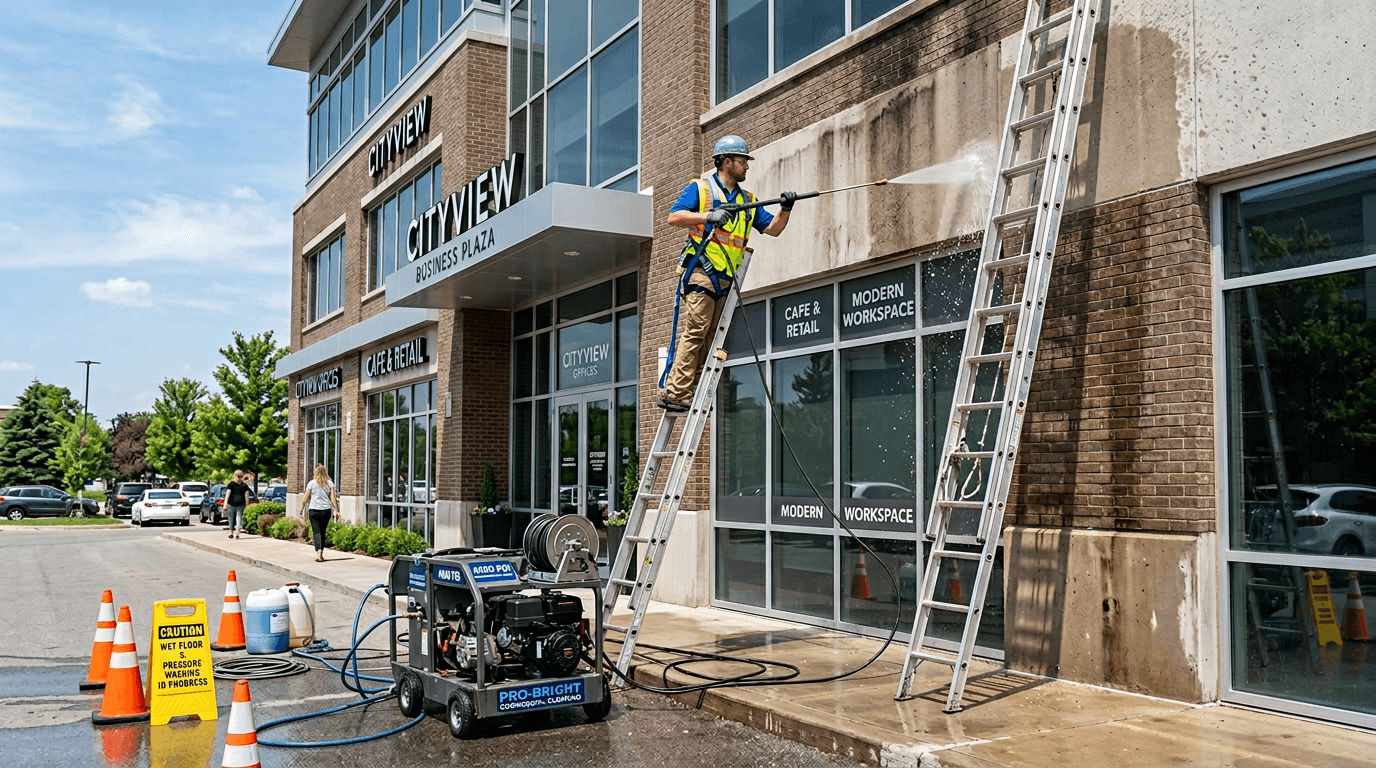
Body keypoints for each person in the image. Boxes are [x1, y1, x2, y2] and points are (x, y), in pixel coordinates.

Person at [660, 135, 796, 411]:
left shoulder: (748, 200)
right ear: (726, 162)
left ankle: (693, 392)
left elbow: (774, 229)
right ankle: (676, 393)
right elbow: (674, 217)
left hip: (726, 279)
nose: (747, 166)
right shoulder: (702, 190)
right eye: (743, 161)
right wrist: (708, 216)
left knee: (711, 337)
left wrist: (786, 208)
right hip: (701, 271)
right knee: (697, 330)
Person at [305, 464, 339, 562]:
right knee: (322, 531)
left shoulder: (311, 483)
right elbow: (333, 498)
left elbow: (305, 498)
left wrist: (301, 508)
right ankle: (321, 552)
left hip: (314, 510)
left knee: (317, 532)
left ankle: (319, 552)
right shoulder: (330, 483)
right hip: (326, 510)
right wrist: (336, 510)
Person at [224, 470, 254, 539]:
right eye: (237, 476)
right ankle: (231, 531)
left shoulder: (244, 486)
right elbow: (227, 494)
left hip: (240, 505)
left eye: (240, 476)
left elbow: (247, 495)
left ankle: (237, 531)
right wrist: (225, 503)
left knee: (239, 518)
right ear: (234, 476)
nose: (239, 478)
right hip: (231, 504)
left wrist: (247, 504)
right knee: (231, 518)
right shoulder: (231, 484)